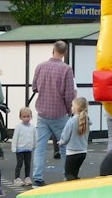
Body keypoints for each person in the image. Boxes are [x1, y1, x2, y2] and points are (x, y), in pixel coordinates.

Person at [29, 40, 78, 186]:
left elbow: (34, 87)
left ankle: (37, 177)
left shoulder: (40, 66)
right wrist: (69, 111)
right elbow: (69, 94)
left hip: (42, 112)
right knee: (64, 146)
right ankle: (67, 175)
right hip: (59, 113)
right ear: (65, 52)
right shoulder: (66, 69)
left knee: (40, 147)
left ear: (53, 49)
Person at [64, 97, 92, 180]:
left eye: (72, 106)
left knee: (69, 174)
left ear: (76, 108)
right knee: (75, 173)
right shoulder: (86, 119)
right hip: (83, 151)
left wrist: (62, 142)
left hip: (72, 151)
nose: (71, 107)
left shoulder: (72, 120)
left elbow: (66, 134)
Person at [11, 106, 37, 187]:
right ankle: (17, 178)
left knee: (28, 164)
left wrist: (35, 145)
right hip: (20, 149)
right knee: (19, 164)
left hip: (28, 149)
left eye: (28, 116)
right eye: (24, 117)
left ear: (31, 116)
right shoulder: (18, 127)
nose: (26, 118)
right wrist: (14, 147)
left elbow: (35, 137)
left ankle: (27, 177)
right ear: (20, 117)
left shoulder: (33, 127)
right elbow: (15, 137)